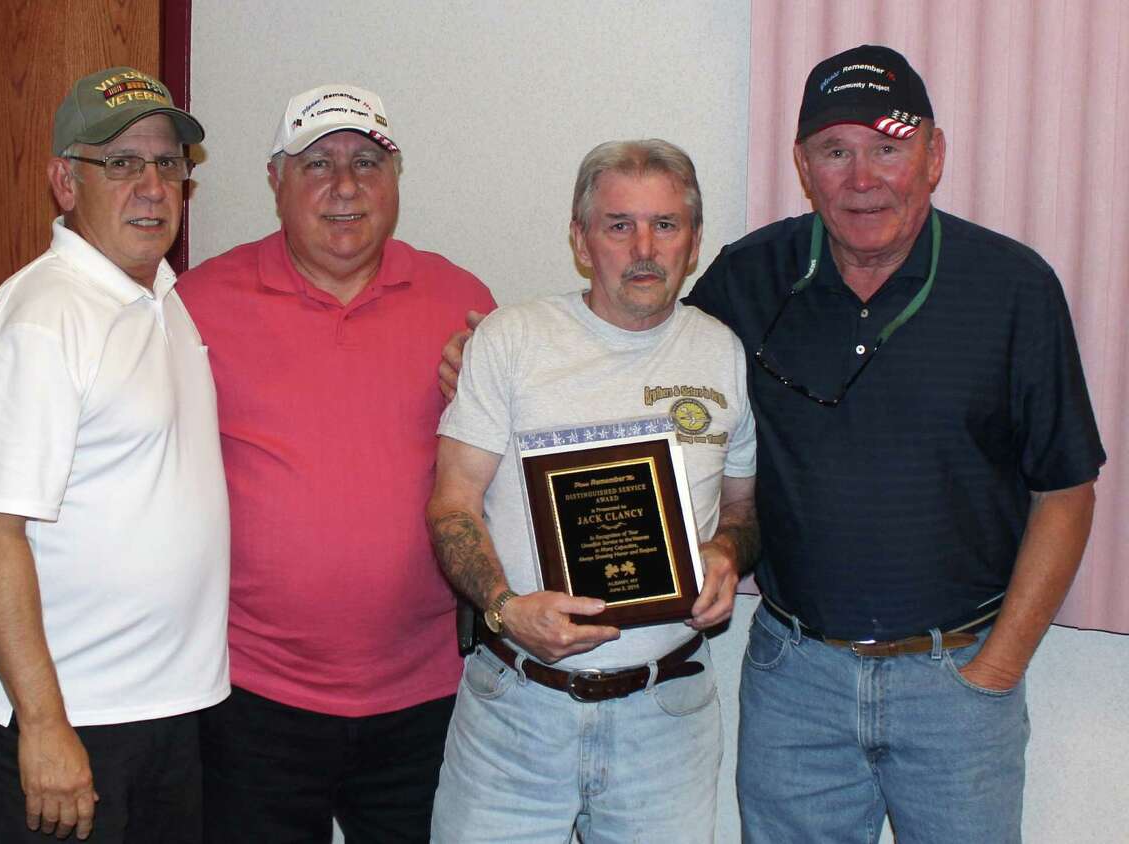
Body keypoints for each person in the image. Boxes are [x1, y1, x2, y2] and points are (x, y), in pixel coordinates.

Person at [441, 46, 1105, 842]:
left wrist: (998, 669)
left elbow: (1066, 490)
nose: (863, 178)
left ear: (934, 155)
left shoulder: (1015, 288)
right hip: (798, 680)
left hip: (955, 678)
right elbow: (637, 335)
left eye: (889, 148)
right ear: (803, 165)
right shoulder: (748, 283)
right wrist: (482, 360)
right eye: (835, 151)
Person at [178, 84, 495, 843]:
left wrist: (495, 403)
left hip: (427, 696)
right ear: (274, 181)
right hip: (251, 696)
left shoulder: (464, 303)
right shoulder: (197, 303)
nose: (345, 186)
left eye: (366, 162)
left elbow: (509, 481)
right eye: (317, 163)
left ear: (396, 178)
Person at [427, 139, 758, 843]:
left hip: (664, 717)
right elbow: (452, 502)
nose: (644, 247)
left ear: (694, 242)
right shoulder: (513, 341)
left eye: (666, 225)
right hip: (515, 711)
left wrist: (728, 553)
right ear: (581, 240)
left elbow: (742, 507)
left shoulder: (722, 353)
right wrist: (506, 607)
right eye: (618, 224)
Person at [0, 67, 228, 843]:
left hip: (163, 712)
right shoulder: (43, 319)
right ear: (64, 183)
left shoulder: (161, 301)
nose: (151, 186)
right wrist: (44, 728)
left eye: (168, 163)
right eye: (121, 163)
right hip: (66, 724)